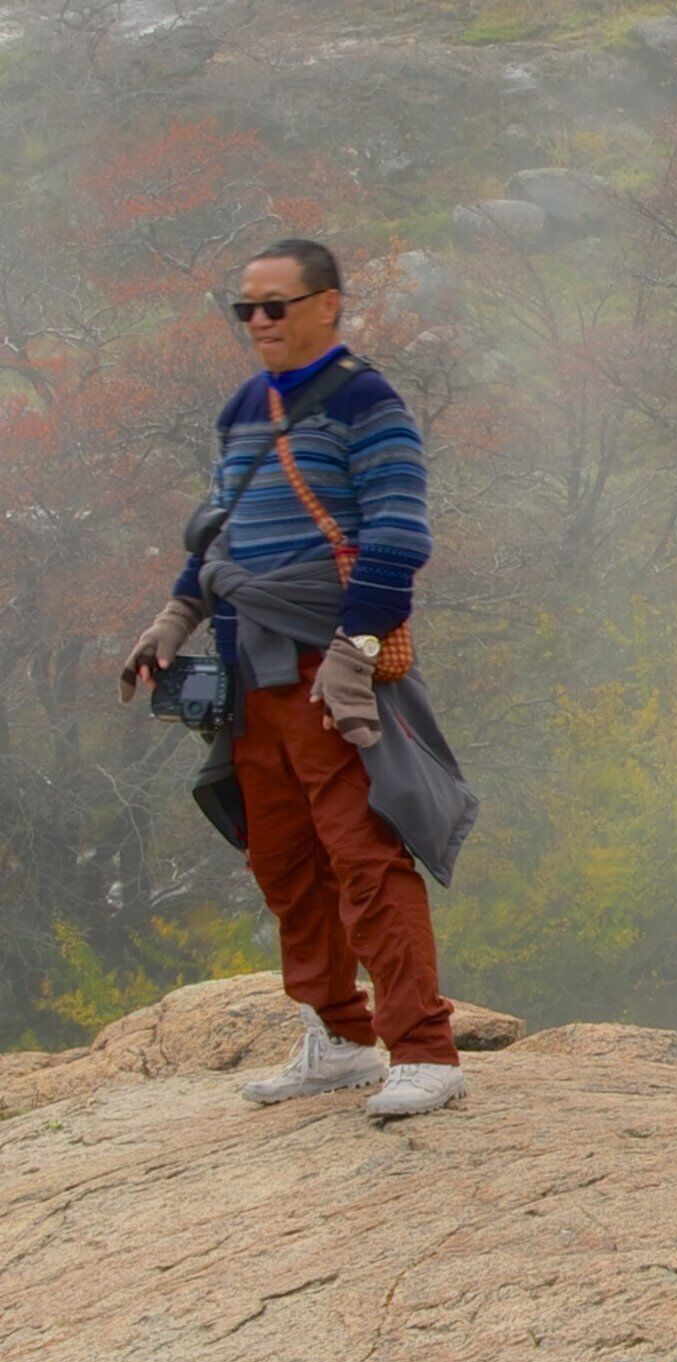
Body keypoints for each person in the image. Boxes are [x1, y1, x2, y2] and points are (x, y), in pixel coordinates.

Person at [118, 236, 461, 1120]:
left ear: (328, 305)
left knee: (364, 852)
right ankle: (339, 1037)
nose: (259, 321)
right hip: (246, 667)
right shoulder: (242, 408)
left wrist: (353, 652)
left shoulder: (367, 401)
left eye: (276, 304)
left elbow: (397, 534)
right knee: (282, 860)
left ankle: (422, 1048)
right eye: (247, 308)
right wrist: (172, 623)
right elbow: (219, 540)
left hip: (323, 662)